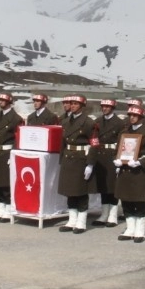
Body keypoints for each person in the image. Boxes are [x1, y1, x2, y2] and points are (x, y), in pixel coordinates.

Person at [114, 105, 145, 243]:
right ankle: (130, 228)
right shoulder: (124, 133)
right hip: (124, 171)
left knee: (139, 201)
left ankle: (139, 230)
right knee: (126, 200)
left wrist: (140, 162)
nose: (132, 118)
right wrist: (117, 160)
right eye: (130, 115)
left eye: (134, 116)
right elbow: (118, 149)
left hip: (139, 172)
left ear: (140, 117)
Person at [57, 94, 98, 234]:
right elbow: (62, 142)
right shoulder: (65, 122)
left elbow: (94, 144)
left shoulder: (89, 123)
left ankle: (81, 222)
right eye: (71, 103)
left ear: (82, 106)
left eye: (75, 104)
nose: (72, 106)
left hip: (81, 159)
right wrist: (61, 159)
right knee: (70, 191)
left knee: (81, 192)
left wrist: (90, 164)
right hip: (69, 158)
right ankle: (72, 220)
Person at [0, 92, 23, 222]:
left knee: (6, 183)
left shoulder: (16, 118)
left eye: (3, 100)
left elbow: (18, 139)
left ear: (9, 102)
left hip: (6, 153)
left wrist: (13, 155)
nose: (0, 102)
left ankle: (8, 209)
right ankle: (0, 208)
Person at [91, 98, 126, 227]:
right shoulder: (98, 122)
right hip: (100, 156)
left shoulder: (119, 123)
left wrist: (120, 160)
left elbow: (123, 143)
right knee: (103, 187)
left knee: (112, 187)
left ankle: (112, 215)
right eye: (103, 106)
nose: (104, 108)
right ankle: (104, 214)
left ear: (112, 108)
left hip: (112, 156)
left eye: (107, 107)